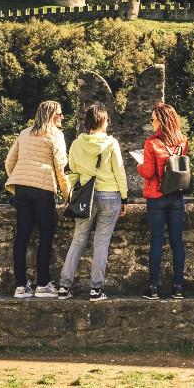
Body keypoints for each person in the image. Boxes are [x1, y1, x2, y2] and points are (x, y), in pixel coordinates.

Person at [57, 103, 128, 302]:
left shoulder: (77, 144)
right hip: (110, 195)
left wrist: (72, 195)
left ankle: (64, 287)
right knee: (101, 243)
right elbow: (119, 172)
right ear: (103, 121)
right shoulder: (111, 143)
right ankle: (96, 290)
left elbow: (71, 172)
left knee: (78, 240)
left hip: (85, 197)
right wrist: (124, 198)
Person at [4, 99, 70, 299]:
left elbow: (9, 161)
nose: (62, 117)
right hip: (43, 187)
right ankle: (42, 284)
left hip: (22, 188)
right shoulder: (55, 135)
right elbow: (61, 168)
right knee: (47, 233)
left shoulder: (25, 133)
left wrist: (17, 178)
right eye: (59, 114)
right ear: (51, 115)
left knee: (22, 235)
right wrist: (68, 196)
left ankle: (21, 286)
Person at [137, 102, 188, 300]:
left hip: (156, 197)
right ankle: (178, 287)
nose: (152, 123)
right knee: (177, 243)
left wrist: (140, 165)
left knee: (156, 241)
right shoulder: (182, 141)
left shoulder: (151, 143)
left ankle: (154, 287)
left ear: (161, 120)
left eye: (153, 119)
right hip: (176, 196)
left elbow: (149, 172)